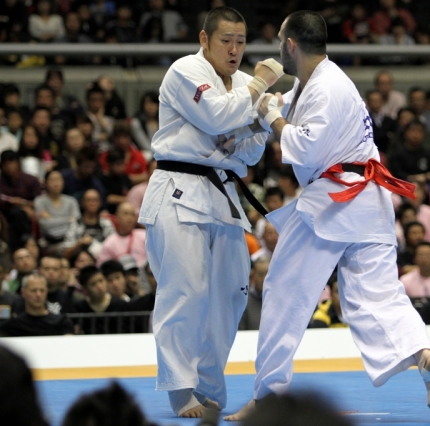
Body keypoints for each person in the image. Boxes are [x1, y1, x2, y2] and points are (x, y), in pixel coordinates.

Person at [226, 11, 430, 422]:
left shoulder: (327, 87)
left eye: (279, 42)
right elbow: (282, 108)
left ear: (290, 45)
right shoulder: (315, 83)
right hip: (369, 204)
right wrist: (265, 104)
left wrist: (272, 117)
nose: (278, 49)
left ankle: (268, 398)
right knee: (377, 296)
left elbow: (305, 146)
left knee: (284, 292)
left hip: (335, 202)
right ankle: (424, 355)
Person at [137, 6, 283, 419]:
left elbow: (249, 153)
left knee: (230, 296)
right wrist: (258, 88)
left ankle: (209, 387)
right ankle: (179, 388)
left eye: (241, 42)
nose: (234, 49)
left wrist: (255, 125)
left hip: (223, 193)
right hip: (178, 188)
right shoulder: (186, 70)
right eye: (226, 41)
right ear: (205, 39)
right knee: (185, 292)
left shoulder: (243, 84)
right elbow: (218, 115)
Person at [0, 274, 74, 337]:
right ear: (23, 292)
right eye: (33, 290)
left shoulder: (61, 323)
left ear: (46, 292)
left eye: (42, 290)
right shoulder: (12, 326)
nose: (38, 295)